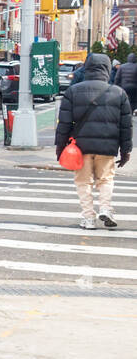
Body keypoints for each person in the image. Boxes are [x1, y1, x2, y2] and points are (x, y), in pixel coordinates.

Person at [55, 52, 132, 230]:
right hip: (107, 146)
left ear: (87, 67)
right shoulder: (119, 93)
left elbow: (64, 123)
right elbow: (126, 126)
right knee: (105, 179)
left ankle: (88, 218)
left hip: (80, 146)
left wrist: (60, 146)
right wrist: (126, 150)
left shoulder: (73, 91)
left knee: (83, 181)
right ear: (107, 68)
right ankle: (105, 208)